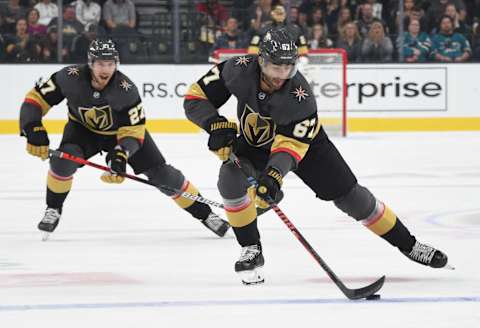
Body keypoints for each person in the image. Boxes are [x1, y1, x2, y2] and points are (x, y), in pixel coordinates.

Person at [183, 27, 450, 285]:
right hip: (257, 142)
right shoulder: (237, 68)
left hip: (305, 145)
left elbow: (291, 147)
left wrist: (274, 176)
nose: (281, 75)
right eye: (276, 67)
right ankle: (251, 249)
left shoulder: (301, 98)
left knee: (352, 198)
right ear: (261, 60)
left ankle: (409, 244)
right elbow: (195, 97)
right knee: (229, 177)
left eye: (288, 68)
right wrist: (214, 124)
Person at [19, 39, 230, 240]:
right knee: (62, 161)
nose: (106, 70)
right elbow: (34, 100)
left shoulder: (125, 90)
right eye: (101, 64)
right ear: (91, 63)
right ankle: (53, 208)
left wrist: (121, 154)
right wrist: (33, 128)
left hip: (123, 134)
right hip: (82, 131)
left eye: (110, 64)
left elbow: (134, 132)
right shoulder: (68, 77)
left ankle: (206, 214)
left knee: (164, 176)